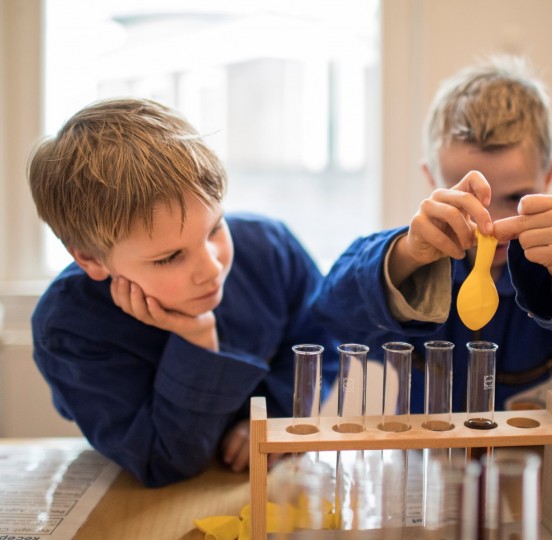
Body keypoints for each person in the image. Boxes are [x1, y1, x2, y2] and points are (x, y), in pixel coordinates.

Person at [28, 98, 338, 487]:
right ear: (91, 259)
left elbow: (319, 343)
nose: (211, 268)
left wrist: (278, 414)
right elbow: (165, 461)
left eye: (215, 230)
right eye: (170, 257)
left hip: (268, 481)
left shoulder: (270, 247)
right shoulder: (68, 327)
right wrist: (196, 340)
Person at [312, 56, 552, 417]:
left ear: (548, 177)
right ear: (432, 181)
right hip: (429, 473)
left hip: (540, 474)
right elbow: (331, 319)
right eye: (469, 197)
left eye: (515, 197)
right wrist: (403, 255)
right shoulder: (411, 274)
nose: (491, 223)